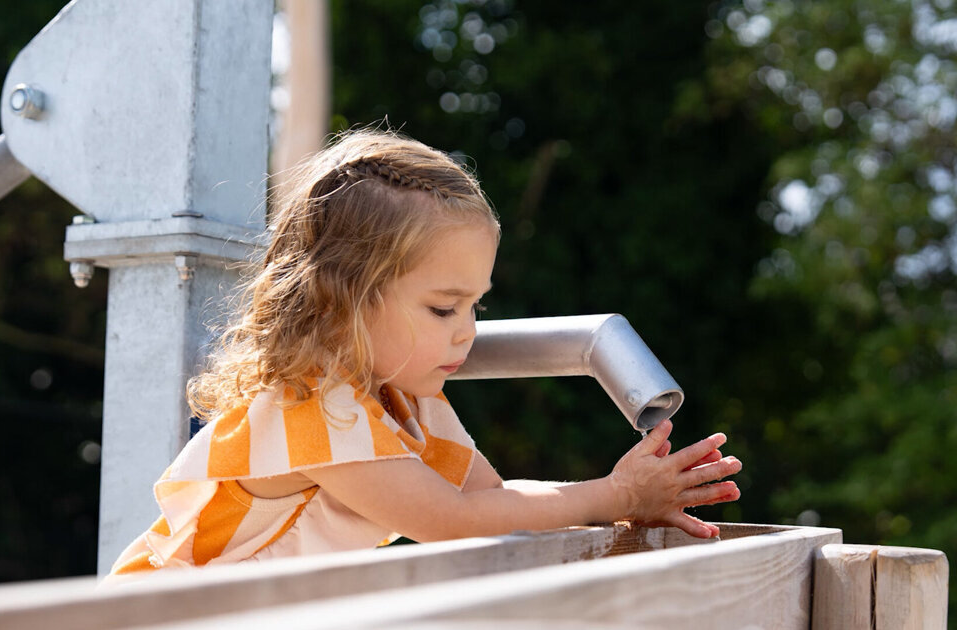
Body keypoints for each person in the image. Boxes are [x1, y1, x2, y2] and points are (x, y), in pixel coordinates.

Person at [106, 129, 741, 579]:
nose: (466, 333)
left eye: (475, 307)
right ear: (342, 301)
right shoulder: (314, 408)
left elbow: (496, 498)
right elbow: (452, 520)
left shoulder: (406, 403)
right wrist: (614, 496)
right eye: (443, 309)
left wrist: (625, 499)